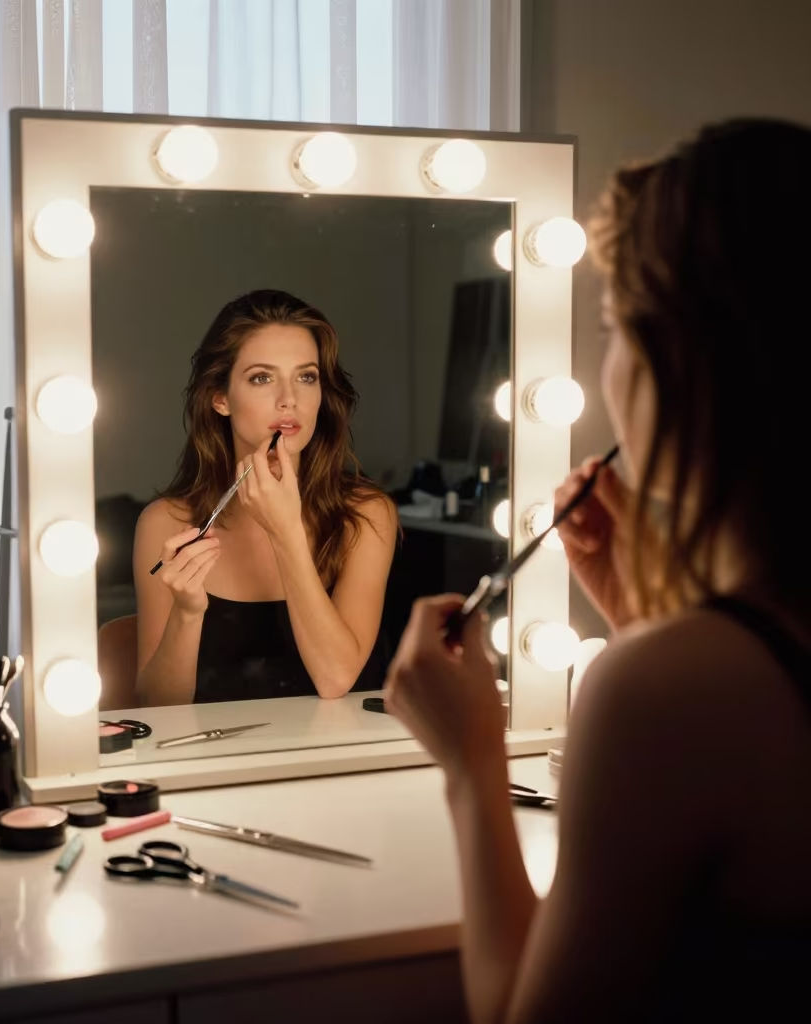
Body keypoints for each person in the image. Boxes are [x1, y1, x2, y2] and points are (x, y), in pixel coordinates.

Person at [384, 118, 811, 1023]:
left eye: (616, 325)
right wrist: (645, 615)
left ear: (687, 364)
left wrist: (471, 764)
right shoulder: (717, 669)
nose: (610, 365)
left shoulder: (663, 694)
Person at [134, 289, 397, 705]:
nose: (288, 398)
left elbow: (336, 678)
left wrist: (286, 531)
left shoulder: (366, 515)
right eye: (262, 377)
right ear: (221, 398)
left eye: (306, 377)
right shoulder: (165, 523)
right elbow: (157, 709)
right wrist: (186, 614)